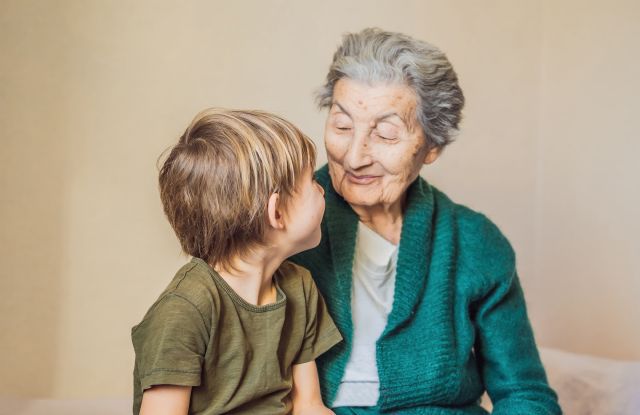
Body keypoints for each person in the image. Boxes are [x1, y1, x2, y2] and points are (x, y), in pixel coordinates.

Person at [291, 28, 562, 414]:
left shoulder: (475, 241)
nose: (354, 157)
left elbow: (525, 393)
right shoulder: (279, 221)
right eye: (342, 126)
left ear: (432, 146)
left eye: (385, 133)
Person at [131, 109, 343, 415]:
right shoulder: (184, 310)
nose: (322, 188)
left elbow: (308, 405)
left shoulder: (300, 287)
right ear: (277, 212)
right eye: (311, 181)